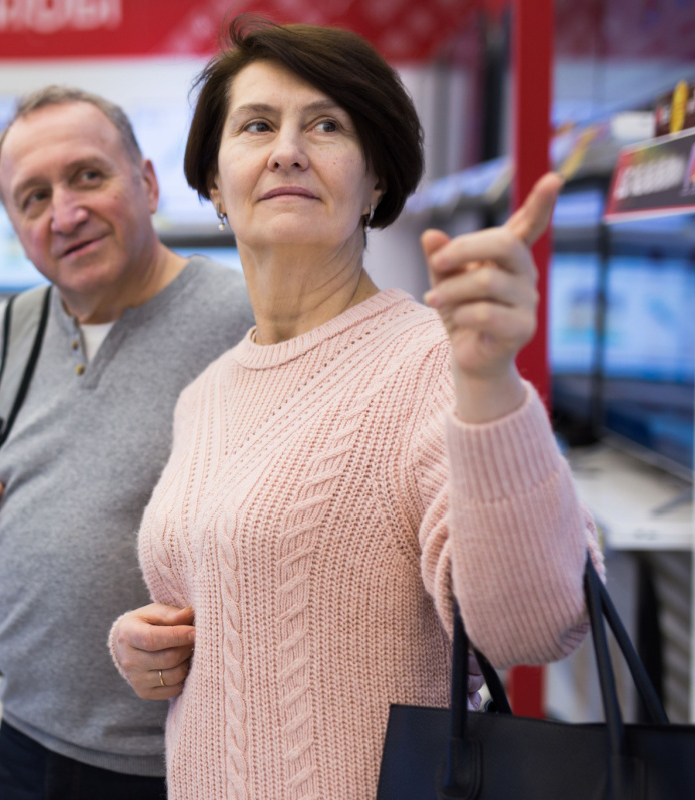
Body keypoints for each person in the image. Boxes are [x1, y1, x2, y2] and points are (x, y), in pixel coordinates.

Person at [110, 19, 602, 800]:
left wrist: (489, 386)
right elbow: (233, 586)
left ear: (375, 182)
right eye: (258, 125)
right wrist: (148, 644)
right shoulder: (207, 392)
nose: (288, 150)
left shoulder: (432, 367)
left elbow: (535, 627)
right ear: (213, 183)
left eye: (327, 125)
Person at [0, 86, 255, 798]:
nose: (66, 213)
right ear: (16, 224)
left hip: (175, 758)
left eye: (88, 176)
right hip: (23, 736)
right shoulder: (7, 332)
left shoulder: (242, 322)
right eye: (34, 197)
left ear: (145, 182)